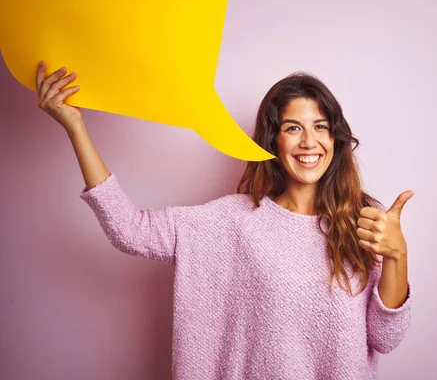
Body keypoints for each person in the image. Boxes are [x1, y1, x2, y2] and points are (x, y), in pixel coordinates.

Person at [35, 60, 413, 380]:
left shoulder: (364, 221)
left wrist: (397, 255)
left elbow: (385, 338)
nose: (308, 141)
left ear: (335, 137)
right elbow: (131, 231)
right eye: (293, 127)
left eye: (320, 126)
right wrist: (75, 127)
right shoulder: (233, 221)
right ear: (273, 140)